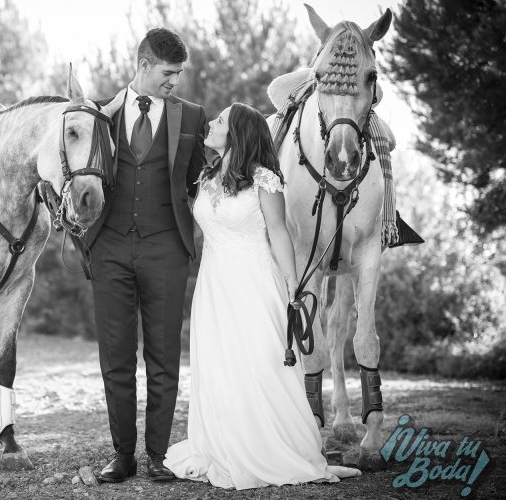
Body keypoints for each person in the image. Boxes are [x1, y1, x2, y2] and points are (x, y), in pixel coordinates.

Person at [163, 103, 362, 489]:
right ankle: (223, 445)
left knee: (260, 364)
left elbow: (279, 232)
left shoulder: (264, 180)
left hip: (253, 283)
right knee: (220, 367)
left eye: (220, 121)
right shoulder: (206, 177)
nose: (212, 124)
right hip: (213, 287)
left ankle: (275, 450)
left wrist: (292, 284)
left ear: (237, 133)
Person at [85, 28, 207, 483]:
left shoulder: (191, 116)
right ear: (143, 65)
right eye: (168, 72)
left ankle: (157, 455)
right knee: (115, 358)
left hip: (166, 249)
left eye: (179, 73)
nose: (175, 81)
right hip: (110, 246)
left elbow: (200, 184)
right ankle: (123, 455)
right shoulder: (99, 113)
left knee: (163, 357)